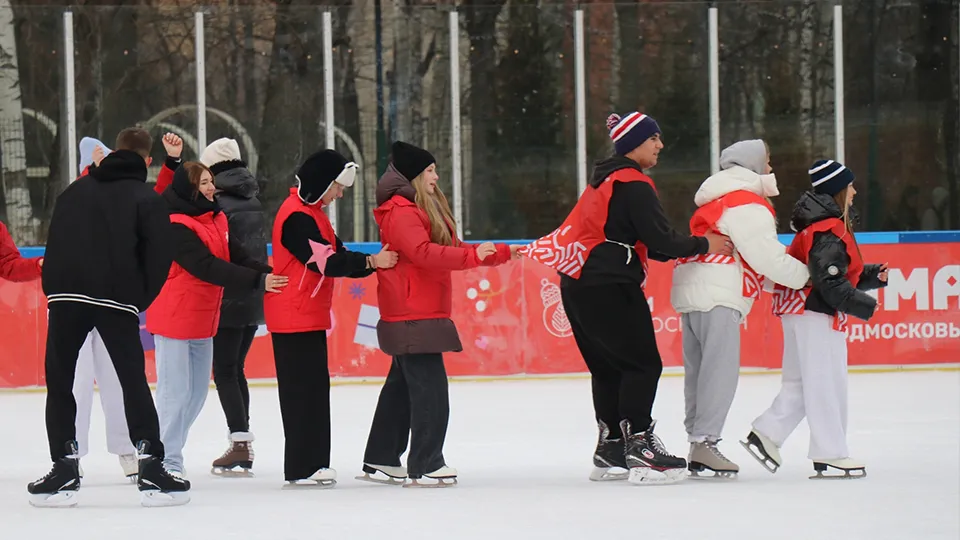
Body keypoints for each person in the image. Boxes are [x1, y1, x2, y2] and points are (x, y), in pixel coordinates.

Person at [521, 112, 733, 486]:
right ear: (634, 143)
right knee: (643, 365)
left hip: (577, 284)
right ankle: (641, 447)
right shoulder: (634, 183)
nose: (660, 146)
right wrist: (705, 244)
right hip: (609, 284)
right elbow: (663, 242)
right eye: (654, 139)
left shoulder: (601, 182)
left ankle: (612, 447)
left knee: (608, 368)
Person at [31, 127, 190, 508]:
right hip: (116, 301)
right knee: (131, 381)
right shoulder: (143, 197)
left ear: (113, 151)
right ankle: (150, 463)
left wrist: (54, 292)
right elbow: (159, 255)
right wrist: (137, 299)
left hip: (66, 298)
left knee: (62, 380)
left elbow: (54, 244)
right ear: (146, 161)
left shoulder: (74, 191)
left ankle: (64, 465)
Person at [359, 142, 517, 487]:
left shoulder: (418, 207)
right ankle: (427, 462)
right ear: (415, 175)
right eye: (430, 170)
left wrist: (499, 253)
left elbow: (451, 247)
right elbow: (424, 253)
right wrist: (475, 258)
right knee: (430, 391)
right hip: (412, 311)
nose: (436, 176)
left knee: (401, 388)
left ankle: (382, 456)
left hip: (417, 308)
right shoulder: (402, 211)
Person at [670, 139, 809, 478]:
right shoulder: (747, 203)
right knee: (719, 372)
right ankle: (705, 442)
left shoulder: (718, 198)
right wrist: (806, 276)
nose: (771, 168)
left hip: (693, 290)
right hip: (719, 293)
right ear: (753, 165)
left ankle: (698, 440)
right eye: (768, 161)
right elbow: (766, 257)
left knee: (700, 372)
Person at [742, 159, 885, 479]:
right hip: (815, 311)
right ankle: (830, 452)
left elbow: (831, 274)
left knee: (803, 382)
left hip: (799, 309)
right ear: (838, 190)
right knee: (826, 382)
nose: (855, 192)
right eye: (850, 186)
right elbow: (829, 281)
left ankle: (767, 433)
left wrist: (873, 276)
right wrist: (865, 306)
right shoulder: (828, 229)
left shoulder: (818, 226)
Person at [264, 149, 397, 489]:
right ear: (321, 184)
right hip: (292, 316)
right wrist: (371, 263)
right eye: (336, 187)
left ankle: (314, 463)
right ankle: (301, 467)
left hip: (307, 315)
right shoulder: (297, 217)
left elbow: (339, 255)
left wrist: (371, 263)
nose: (339, 194)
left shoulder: (315, 214)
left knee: (313, 390)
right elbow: (324, 262)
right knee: (300, 393)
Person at [146, 161, 286, 479]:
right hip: (175, 319)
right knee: (174, 392)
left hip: (204, 319)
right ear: (188, 188)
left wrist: (269, 273)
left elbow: (236, 256)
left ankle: (165, 451)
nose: (211, 187)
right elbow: (207, 266)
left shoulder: (215, 217)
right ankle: (165, 458)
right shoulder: (175, 224)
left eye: (211, 181)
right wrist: (256, 281)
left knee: (195, 394)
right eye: (204, 183)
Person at [199, 138, 268, 476]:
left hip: (227, 295)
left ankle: (240, 443)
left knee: (225, 370)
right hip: (253, 294)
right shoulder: (253, 199)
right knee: (235, 368)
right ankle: (241, 439)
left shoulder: (217, 204)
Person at [71, 137, 138, 482]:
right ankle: (71, 453)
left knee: (118, 378)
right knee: (76, 382)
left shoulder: (121, 195)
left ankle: (127, 449)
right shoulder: (77, 195)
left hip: (112, 300)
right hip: (75, 301)